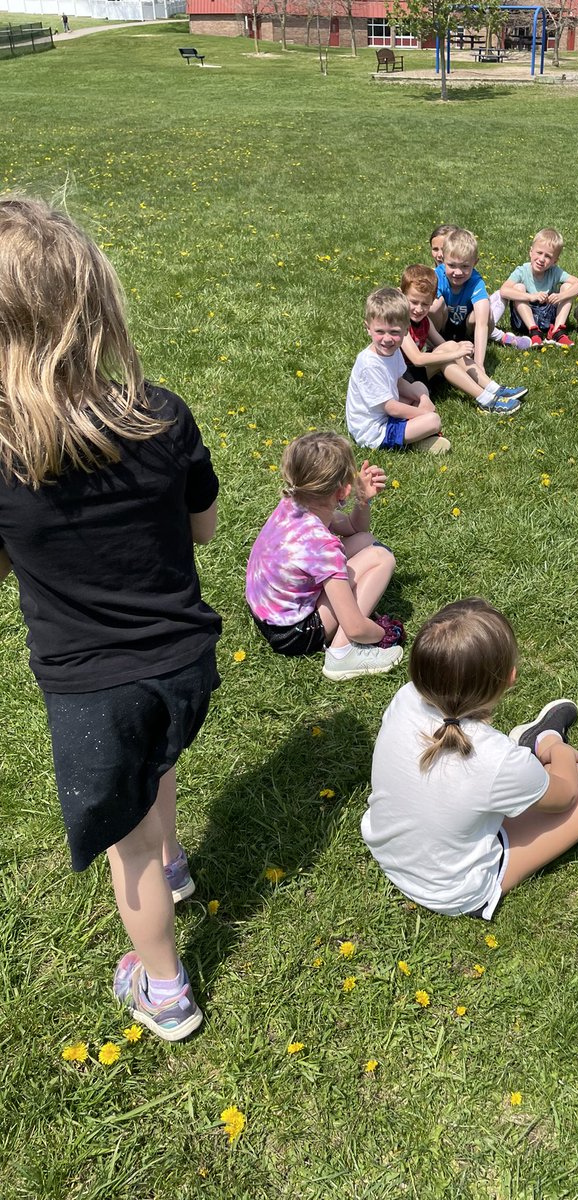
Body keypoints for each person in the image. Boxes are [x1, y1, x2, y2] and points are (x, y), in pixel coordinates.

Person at [0, 196, 221, 1041]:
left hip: (93, 691)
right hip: (185, 664)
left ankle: (162, 989)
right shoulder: (161, 412)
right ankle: (174, 862)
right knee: (157, 765)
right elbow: (200, 526)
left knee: (122, 847)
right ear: (96, 301)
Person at [362, 599, 578, 919]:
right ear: (510, 677)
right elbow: (566, 797)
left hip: (387, 849)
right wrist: (558, 752)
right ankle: (541, 739)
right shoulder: (498, 759)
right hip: (452, 892)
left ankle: (532, 762)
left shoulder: (405, 698)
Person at [246, 432, 404, 681]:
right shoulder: (322, 546)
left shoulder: (294, 502)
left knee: (366, 542)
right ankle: (341, 654)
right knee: (382, 558)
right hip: (294, 633)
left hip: (269, 611)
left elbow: (354, 529)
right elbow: (355, 626)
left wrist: (363, 500)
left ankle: (342, 645)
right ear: (343, 491)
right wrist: (380, 632)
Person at [400, 264, 527, 415]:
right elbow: (417, 359)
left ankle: (492, 391)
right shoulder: (400, 324)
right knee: (448, 355)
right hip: (403, 379)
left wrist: (457, 348)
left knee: (450, 350)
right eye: (414, 302)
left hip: (416, 374)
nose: (419, 309)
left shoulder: (425, 321)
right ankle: (486, 398)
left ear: (432, 301)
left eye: (425, 304)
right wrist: (454, 353)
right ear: (402, 297)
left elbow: (443, 344)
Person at [346, 287, 450, 454]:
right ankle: (418, 438)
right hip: (375, 431)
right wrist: (422, 412)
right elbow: (391, 408)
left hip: (386, 412)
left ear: (406, 330)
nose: (387, 339)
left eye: (394, 332)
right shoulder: (369, 364)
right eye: (380, 331)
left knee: (419, 386)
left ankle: (417, 435)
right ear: (368, 328)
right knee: (433, 420)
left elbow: (399, 381)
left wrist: (422, 397)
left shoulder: (393, 352)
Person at [499, 227, 578, 348]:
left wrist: (561, 296)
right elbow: (504, 290)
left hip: (548, 317)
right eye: (539, 253)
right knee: (518, 287)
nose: (541, 259)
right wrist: (530, 296)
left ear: (555, 261)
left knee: (567, 287)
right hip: (524, 321)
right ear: (531, 251)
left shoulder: (554, 272)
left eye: (548, 256)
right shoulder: (522, 271)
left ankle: (557, 331)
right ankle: (534, 331)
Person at [431, 228, 496, 373]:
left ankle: (473, 347)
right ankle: (435, 346)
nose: (458, 272)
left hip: (465, 330)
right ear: (443, 260)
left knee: (487, 314)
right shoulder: (437, 276)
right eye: (452, 265)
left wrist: (479, 365)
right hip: (442, 329)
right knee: (434, 306)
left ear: (475, 263)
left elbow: (482, 322)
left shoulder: (475, 282)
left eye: (465, 266)